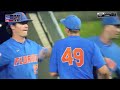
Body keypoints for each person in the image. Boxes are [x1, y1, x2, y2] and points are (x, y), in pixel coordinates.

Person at [49, 15, 111, 79]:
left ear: (67, 30)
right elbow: (104, 71)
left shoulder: (58, 45)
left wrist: (66, 72)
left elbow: (53, 73)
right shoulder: (91, 45)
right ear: (78, 29)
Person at [0, 12, 51, 79]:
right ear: (12, 26)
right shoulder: (4, 48)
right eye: (22, 23)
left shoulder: (33, 45)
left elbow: (45, 52)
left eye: (26, 23)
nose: (26, 25)